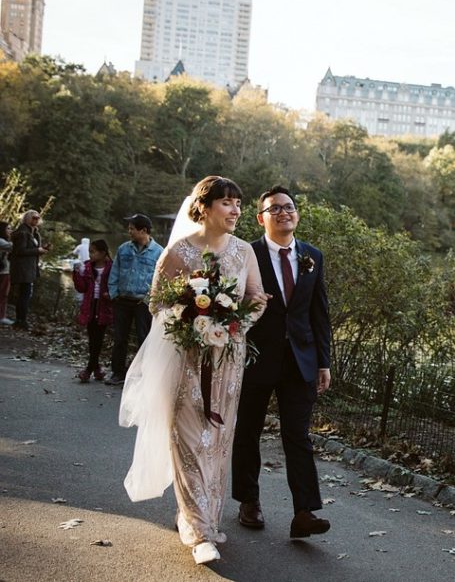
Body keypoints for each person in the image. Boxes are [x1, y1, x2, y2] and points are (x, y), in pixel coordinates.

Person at [119, 176, 268, 566]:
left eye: (238, 203)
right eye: (227, 203)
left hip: (227, 359)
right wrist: (190, 320)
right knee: (188, 440)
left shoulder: (244, 253)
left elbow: (256, 299)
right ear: (204, 207)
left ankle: (203, 517)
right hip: (185, 360)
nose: (236, 210)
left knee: (217, 444)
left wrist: (231, 326)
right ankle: (200, 532)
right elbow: (155, 304)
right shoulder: (178, 253)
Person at [232, 186, 332, 539]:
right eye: (274, 209)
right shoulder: (246, 254)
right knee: (247, 431)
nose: (283, 212)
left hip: (301, 361)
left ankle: (304, 512)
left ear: (297, 214)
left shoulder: (312, 256)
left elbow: (319, 313)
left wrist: (324, 362)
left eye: (288, 207)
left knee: (298, 436)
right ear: (261, 218)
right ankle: (248, 500)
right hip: (255, 358)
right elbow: (230, 305)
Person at [106, 214, 163, 386]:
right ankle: (118, 373)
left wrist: (149, 300)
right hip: (123, 300)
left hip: (143, 303)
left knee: (143, 339)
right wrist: (114, 294)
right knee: (119, 339)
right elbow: (114, 272)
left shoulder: (159, 252)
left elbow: (160, 280)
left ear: (143, 230)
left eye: (132, 228)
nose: (129, 231)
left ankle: (142, 375)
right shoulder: (124, 249)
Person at [72, 239, 113, 382]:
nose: (90, 255)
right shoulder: (87, 267)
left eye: (93, 252)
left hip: (104, 306)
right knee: (92, 338)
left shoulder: (111, 268)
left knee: (99, 338)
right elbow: (81, 288)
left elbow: (115, 286)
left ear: (103, 253)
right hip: (90, 305)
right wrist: (77, 273)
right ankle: (96, 368)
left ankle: (89, 369)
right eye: (90, 251)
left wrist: (110, 295)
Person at [9, 210, 50, 329]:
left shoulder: (34, 232)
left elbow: (32, 251)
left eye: (38, 218)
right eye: (33, 218)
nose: (36, 220)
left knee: (25, 294)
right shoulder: (23, 232)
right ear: (27, 218)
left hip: (30, 267)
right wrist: (38, 250)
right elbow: (20, 251)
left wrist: (42, 250)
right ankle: (21, 321)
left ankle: (21, 320)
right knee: (25, 294)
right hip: (22, 268)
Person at [0, 221, 12, 325]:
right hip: (3, 271)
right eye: (8, 228)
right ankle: (1, 316)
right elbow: (13, 247)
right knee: (3, 294)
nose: (10, 231)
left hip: (4, 270)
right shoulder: (1, 241)